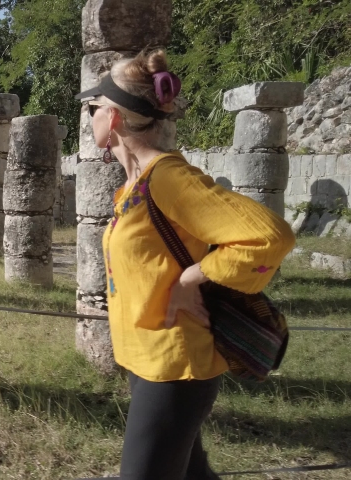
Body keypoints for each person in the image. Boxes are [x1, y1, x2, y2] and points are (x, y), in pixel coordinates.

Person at [73, 50, 296, 480]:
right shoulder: (137, 184)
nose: (90, 116)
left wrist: (195, 276)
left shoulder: (168, 178)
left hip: (176, 367)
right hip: (148, 360)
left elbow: (270, 235)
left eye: (93, 107)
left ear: (114, 118)